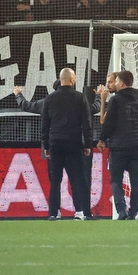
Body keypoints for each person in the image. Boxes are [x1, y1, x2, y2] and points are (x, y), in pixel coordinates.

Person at [97, 70, 138, 220]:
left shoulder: (116, 100)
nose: (114, 84)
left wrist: (102, 139)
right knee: (136, 181)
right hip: (137, 147)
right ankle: (134, 213)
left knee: (116, 180)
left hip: (119, 146)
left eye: (116, 82)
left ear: (121, 83)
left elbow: (108, 123)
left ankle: (121, 210)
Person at [40, 68, 92, 220]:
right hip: (74, 143)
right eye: (74, 77)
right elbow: (86, 123)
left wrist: (46, 146)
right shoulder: (79, 98)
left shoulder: (49, 99)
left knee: (55, 180)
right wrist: (88, 144)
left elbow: (44, 125)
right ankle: (80, 212)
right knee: (76, 178)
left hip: (55, 143)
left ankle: (54, 213)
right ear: (71, 79)